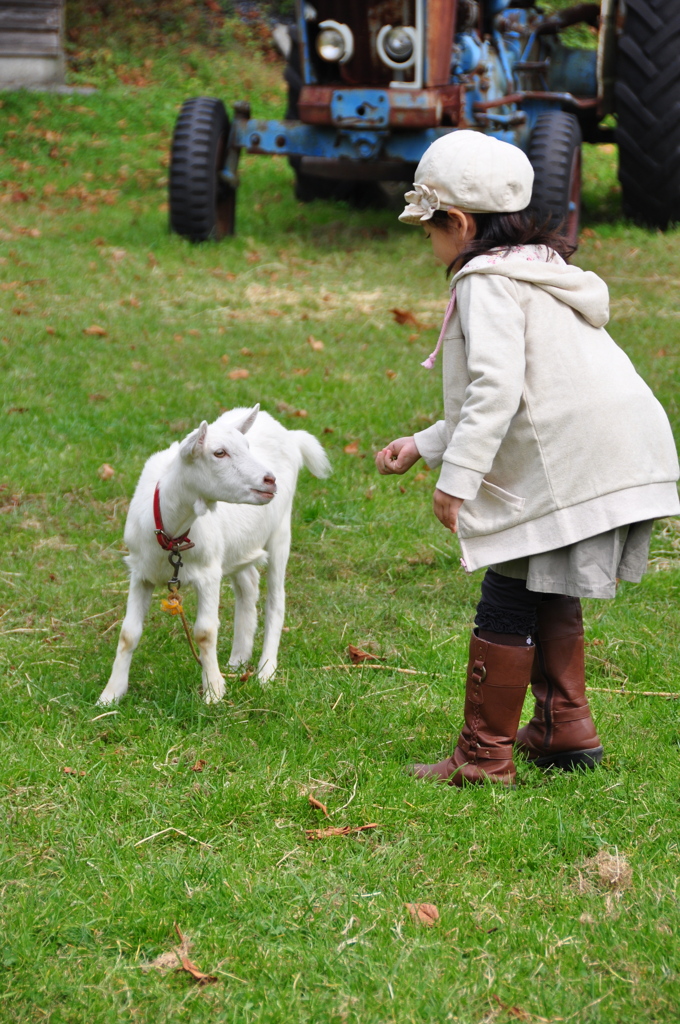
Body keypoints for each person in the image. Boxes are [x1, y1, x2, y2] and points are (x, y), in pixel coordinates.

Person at [376, 130, 680, 787]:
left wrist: (456, 483)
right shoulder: (538, 269)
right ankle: (564, 729)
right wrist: (426, 446)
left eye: (428, 231)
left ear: (457, 223)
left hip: (570, 459)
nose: (428, 247)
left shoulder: (485, 284)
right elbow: (504, 393)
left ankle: (483, 757)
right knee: (547, 581)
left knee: (506, 591)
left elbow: (494, 391)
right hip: (622, 446)